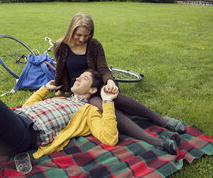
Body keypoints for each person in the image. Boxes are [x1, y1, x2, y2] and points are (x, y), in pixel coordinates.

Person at [53, 12, 186, 150]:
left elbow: (103, 68)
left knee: (118, 98)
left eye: (86, 36)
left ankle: (161, 120)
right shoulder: (61, 46)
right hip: (80, 89)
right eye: (78, 35)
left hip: (97, 83)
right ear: (71, 30)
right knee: (105, 105)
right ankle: (153, 140)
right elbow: (60, 71)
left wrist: (109, 81)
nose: (82, 39)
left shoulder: (94, 45)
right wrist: (59, 90)